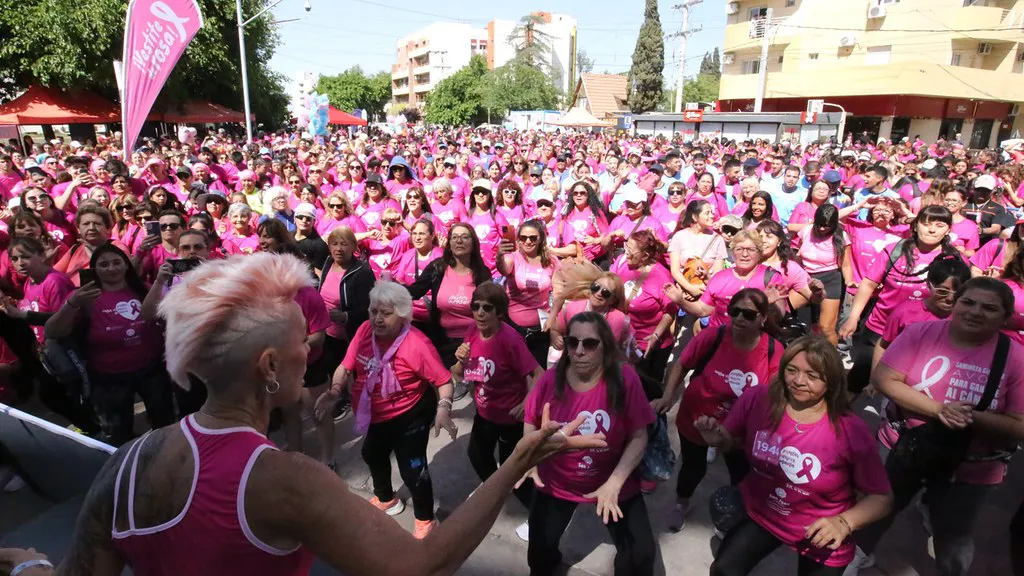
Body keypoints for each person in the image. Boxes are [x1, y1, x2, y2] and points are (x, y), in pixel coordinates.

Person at [0, 252, 605, 575]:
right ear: (269, 368)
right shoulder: (285, 478)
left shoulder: (130, 461)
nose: (311, 349)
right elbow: (421, 566)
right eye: (300, 342)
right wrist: (520, 459)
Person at [849, 278, 1024, 576]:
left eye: (989, 308)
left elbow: (1019, 427)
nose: (975, 312)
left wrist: (970, 418)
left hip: (971, 468)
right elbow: (884, 379)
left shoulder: (1016, 359)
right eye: (968, 302)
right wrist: (939, 410)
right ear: (955, 304)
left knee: (954, 533)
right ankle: (856, 557)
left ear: (1006, 318)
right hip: (902, 449)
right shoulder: (921, 333)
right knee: (877, 508)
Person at [696, 337, 893, 576]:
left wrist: (843, 523)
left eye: (812, 375)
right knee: (723, 570)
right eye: (792, 370)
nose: (799, 381)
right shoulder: (758, 398)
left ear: (831, 382)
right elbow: (732, 443)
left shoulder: (851, 431)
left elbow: (882, 498)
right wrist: (719, 439)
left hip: (819, 532)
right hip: (762, 514)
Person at [314, 281, 455, 538]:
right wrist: (334, 391)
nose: (377, 319)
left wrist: (443, 408)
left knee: (413, 471)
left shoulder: (417, 344)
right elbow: (345, 367)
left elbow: (444, 381)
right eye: (374, 311)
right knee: (371, 453)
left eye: (386, 313)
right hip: (375, 414)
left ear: (402, 315)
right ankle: (387, 498)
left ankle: (425, 519)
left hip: (410, 414)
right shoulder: (364, 331)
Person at [524, 311, 656, 576]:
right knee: (539, 554)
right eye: (573, 343)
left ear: (605, 346)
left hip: (612, 482)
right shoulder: (549, 381)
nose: (580, 351)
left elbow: (639, 436)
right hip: (557, 483)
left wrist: (615, 483)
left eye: (590, 343)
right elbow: (531, 422)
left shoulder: (625, 379)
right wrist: (528, 460)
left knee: (640, 556)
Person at [653, 288, 783, 532]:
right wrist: (668, 396)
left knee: (740, 474)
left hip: (740, 430)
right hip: (697, 417)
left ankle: (732, 517)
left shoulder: (774, 351)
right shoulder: (712, 336)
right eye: (735, 312)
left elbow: (776, 395)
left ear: (763, 318)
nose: (740, 318)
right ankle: (681, 503)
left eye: (749, 314)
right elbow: (682, 364)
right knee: (693, 467)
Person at [43, 243, 175, 446]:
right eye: (104, 264)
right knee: (118, 433)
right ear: (94, 269)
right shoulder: (85, 296)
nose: (111, 268)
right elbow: (51, 331)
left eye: (116, 262)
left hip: (151, 370)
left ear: (126, 265)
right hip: (108, 376)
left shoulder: (143, 289)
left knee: (164, 423)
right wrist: (73, 303)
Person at [450, 282, 544, 540]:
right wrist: (458, 361)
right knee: (477, 455)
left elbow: (539, 374)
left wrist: (526, 404)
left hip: (509, 418)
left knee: (514, 469)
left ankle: (539, 519)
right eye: (475, 306)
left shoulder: (509, 339)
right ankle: (494, 492)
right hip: (484, 411)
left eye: (487, 308)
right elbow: (457, 375)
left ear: (499, 312)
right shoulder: (471, 332)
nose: (480, 313)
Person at [840, 205, 959, 394]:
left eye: (939, 225)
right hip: (878, 328)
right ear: (916, 225)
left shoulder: (953, 260)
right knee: (857, 381)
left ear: (948, 230)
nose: (932, 229)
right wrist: (853, 317)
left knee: (910, 387)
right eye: (926, 223)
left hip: (924, 336)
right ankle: (841, 419)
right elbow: (869, 284)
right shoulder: (894, 250)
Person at [405, 222, 492, 369]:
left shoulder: (482, 273)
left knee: (472, 389)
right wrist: (389, 288)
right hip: (442, 342)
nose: (459, 241)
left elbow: (490, 309)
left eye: (465, 237)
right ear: (449, 243)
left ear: (473, 243)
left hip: (473, 343)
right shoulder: (437, 268)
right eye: (455, 237)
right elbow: (414, 291)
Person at [872, 254, 971, 367]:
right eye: (942, 291)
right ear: (929, 284)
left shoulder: (968, 317)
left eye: (958, 293)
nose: (950, 298)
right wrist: (874, 379)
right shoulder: (905, 312)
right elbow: (883, 346)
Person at [620, 230, 676, 399]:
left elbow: (670, 311)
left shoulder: (661, 276)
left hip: (648, 347)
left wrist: (656, 335)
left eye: (630, 250)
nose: (626, 254)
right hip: (625, 341)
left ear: (644, 256)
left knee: (646, 392)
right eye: (626, 247)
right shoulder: (623, 263)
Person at [496, 219, 560, 366]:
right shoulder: (513, 257)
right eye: (523, 237)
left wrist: (552, 319)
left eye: (533, 238)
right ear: (518, 239)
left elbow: (559, 293)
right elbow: (504, 269)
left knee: (538, 371)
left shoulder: (552, 261)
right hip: (513, 327)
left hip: (541, 328)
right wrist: (499, 256)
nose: (528, 241)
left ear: (541, 239)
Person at [796, 205, 850, 345]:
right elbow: (798, 254)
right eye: (819, 225)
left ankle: (831, 362)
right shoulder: (806, 231)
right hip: (805, 277)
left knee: (826, 328)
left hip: (830, 279)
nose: (821, 229)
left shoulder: (841, 236)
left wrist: (850, 282)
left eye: (826, 226)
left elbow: (846, 264)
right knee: (802, 325)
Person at [292, 202, 329, 273]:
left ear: (314, 221)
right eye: (300, 217)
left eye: (308, 218)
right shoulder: (288, 237)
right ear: (294, 218)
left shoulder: (319, 245)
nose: (304, 220)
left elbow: (320, 275)